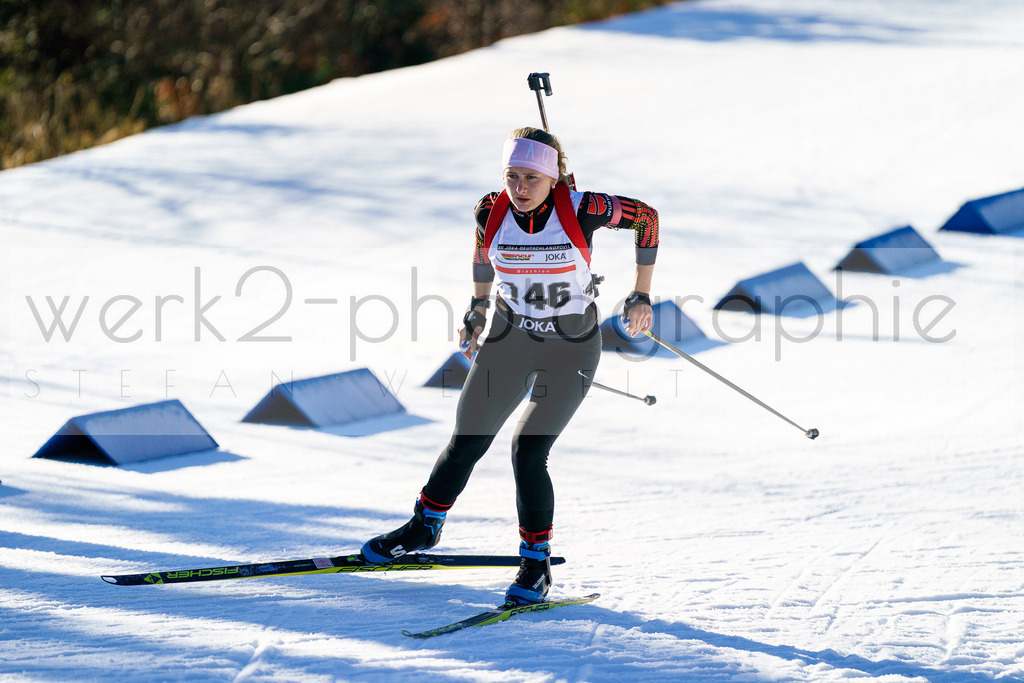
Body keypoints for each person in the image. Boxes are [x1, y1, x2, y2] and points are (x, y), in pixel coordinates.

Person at [361, 126, 659, 604]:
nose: (519, 189)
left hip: (571, 346)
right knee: (466, 440)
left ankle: (535, 565)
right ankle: (423, 527)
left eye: (531, 179)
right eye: (512, 176)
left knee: (527, 449)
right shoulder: (490, 208)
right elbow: (482, 252)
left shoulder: (584, 208)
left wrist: (641, 291)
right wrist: (478, 309)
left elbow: (648, 218)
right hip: (510, 336)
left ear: (554, 177)